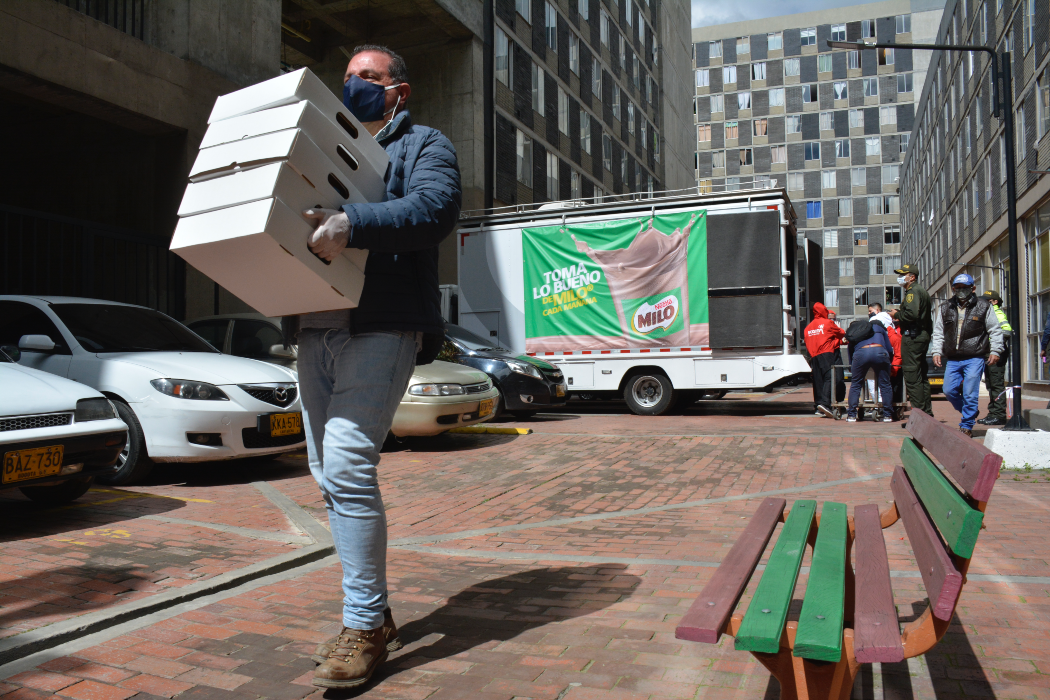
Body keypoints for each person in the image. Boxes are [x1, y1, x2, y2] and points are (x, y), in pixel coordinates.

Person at [281, 45, 463, 689]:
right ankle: (376, 612)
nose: (352, 85)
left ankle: (361, 626)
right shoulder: (321, 144)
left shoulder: (423, 145)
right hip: (314, 325)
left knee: (351, 466)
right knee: (327, 473)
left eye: (368, 77)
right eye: (348, 76)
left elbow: (434, 211)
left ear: (399, 92)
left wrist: (350, 222)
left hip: (381, 325)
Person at [931, 274, 1004, 437]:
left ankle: (967, 425)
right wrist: (936, 351)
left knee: (970, 392)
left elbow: (995, 330)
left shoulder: (984, 306)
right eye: (958, 288)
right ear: (953, 289)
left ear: (973, 288)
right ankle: (970, 411)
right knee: (949, 390)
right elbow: (938, 332)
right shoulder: (945, 307)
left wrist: (995, 350)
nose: (961, 291)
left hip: (975, 357)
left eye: (965, 288)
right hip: (953, 358)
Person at [894, 263, 934, 416]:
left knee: (912, 375)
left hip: (913, 337)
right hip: (920, 336)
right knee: (921, 375)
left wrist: (896, 315)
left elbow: (911, 314)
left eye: (903, 275)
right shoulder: (919, 291)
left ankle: (919, 415)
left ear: (912, 277)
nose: (900, 278)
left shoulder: (913, 292)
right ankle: (926, 413)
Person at [846, 314, 895, 422]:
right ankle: (887, 415)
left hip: (861, 353)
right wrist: (888, 362)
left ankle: (851, 415)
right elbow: (889, 349)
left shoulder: (857, 330)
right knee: (885, 384)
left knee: (856, 384)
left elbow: (850, 350)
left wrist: (851, 365)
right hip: (880, 352)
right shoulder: (880, 329)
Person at [976, 290, 1013, 426]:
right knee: (991, 385)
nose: (984, 303)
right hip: (990, 353)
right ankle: (993, 413)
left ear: (994, 302)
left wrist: (992, 346)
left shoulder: (996, 312)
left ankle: (998, 415)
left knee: (996, 384)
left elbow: (1006, 331)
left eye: (987, 300)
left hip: (996, 354)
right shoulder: (990, 312)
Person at [805, 302, 845, 418]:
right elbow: (841, 333)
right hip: (827, 354)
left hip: (814, 356)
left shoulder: (808, 328)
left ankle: (818, 404)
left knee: (818, 380)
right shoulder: (828, 323)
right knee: (831, 377)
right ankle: (825, 403)